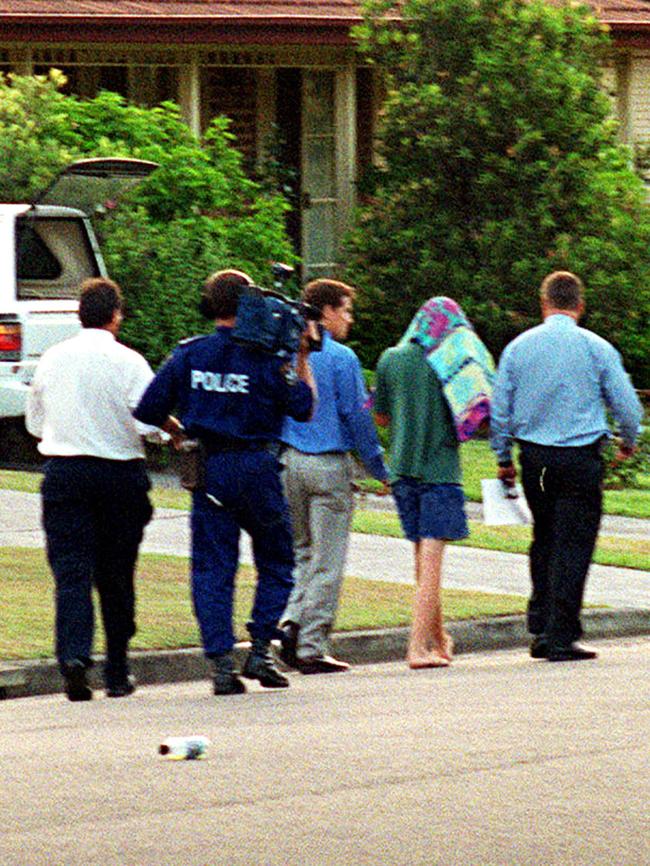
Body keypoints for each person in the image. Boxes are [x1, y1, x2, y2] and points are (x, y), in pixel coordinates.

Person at [134, 269, 316, 695]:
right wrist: (302, 356)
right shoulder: (270, 360)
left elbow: (147, 409)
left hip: (210, 469)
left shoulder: (189, 355)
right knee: (277, 560)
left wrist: (179, 431)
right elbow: (304, 407)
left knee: (213, 568)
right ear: (251, 304)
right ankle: (259, 648)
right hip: (258, 470)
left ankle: (220, 664)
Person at [490, 271, 643, 662]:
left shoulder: (518, 348)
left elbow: (501, 408)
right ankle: (562, 633)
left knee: (544, 536)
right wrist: (628, 440)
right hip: (578, 458)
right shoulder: (597, 348)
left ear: (544, 304)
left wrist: (503, 457)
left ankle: (540, 625)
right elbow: (626, 404)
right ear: (580, 305)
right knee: (573, 543)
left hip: (536, 459)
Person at [25, 277, 159, 701]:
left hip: (65, 471)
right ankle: (117, 668)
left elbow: (34, 422)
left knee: (72, 571)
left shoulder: (52, 359)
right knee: (117, 574)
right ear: (116, 315)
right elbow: (148, 423)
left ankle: (74, 657)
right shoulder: (130, 362)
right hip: (119, 473)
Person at [374, 297, 494, 669]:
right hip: (440, 472)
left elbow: (380, 416)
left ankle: (439, 640)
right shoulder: (451, 363)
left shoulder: (390, 359)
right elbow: (474, 415)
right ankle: (417, 648)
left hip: (402, 471)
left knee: (422, 565)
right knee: (431, 565)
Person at [277, 279, 389, 675]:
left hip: (289, 458)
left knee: (302, 552)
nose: (349, 319)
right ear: (325, 312)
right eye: (345, 310)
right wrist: (378, 467)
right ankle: (312, 644)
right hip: (327, 461)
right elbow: (357, 418)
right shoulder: (342, 358)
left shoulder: (287, 350)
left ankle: (290, 619)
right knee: (328, 557)